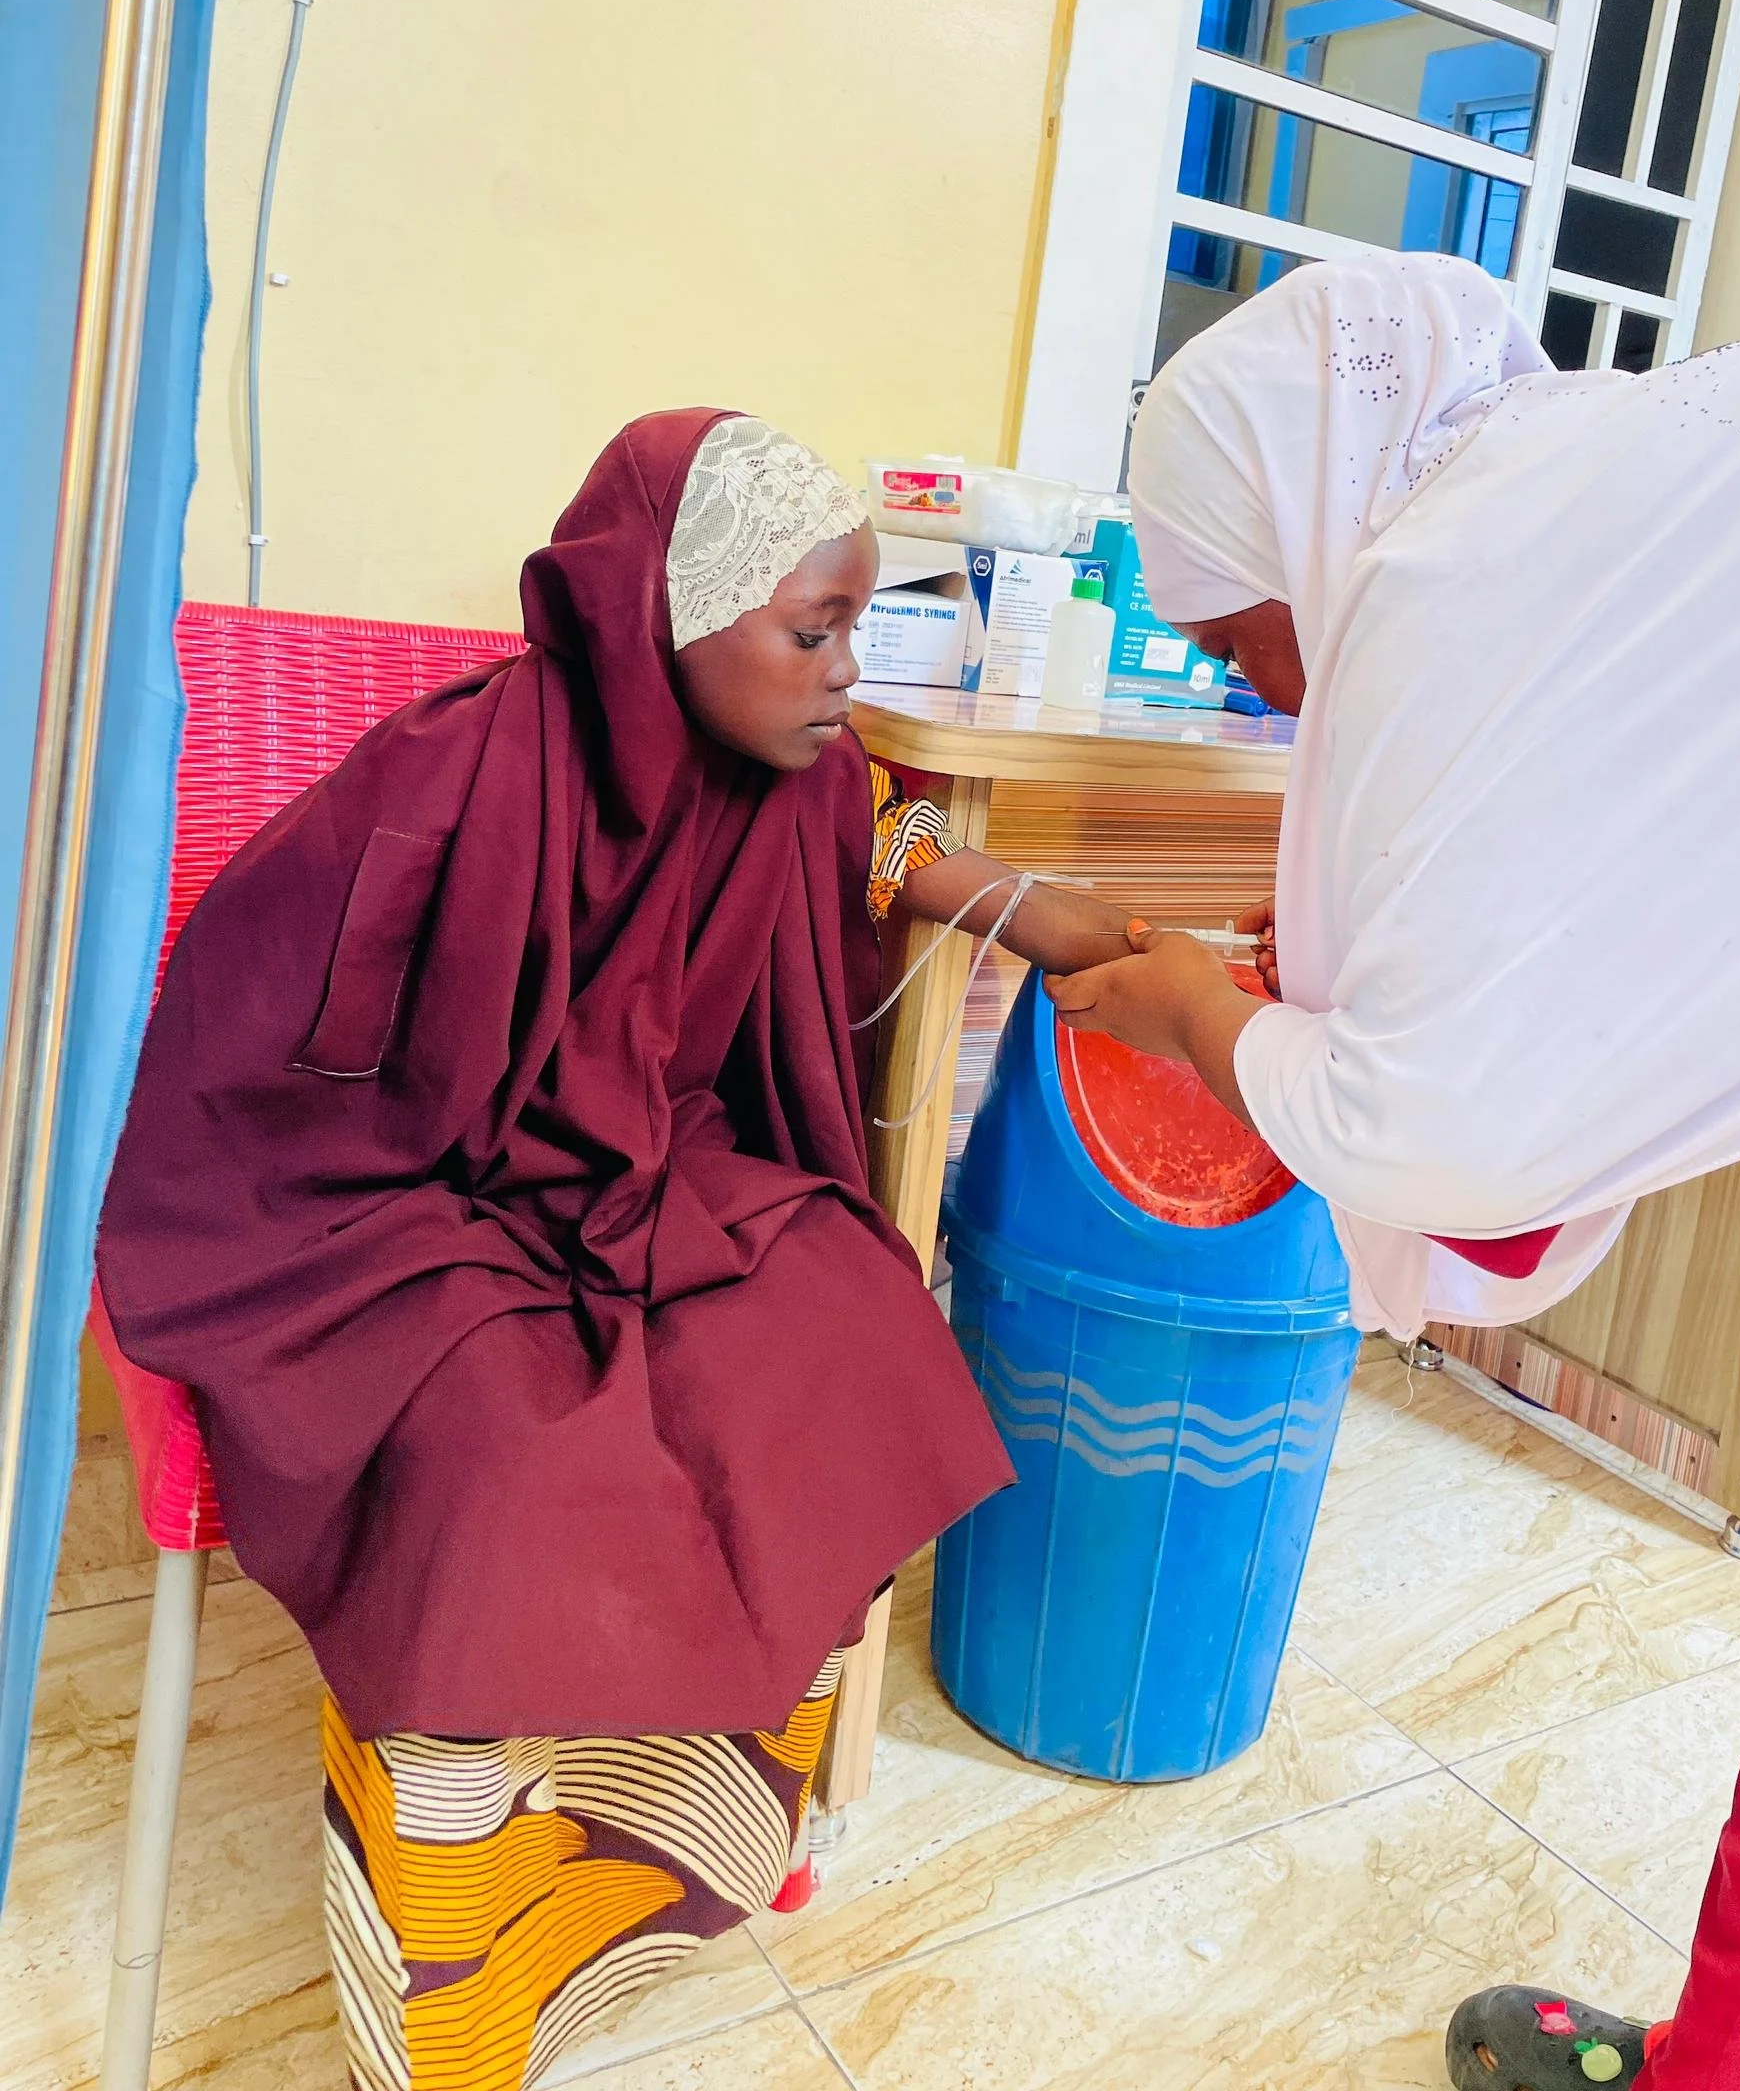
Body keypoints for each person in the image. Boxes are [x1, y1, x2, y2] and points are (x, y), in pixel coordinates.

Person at [96, 410, 1134, 2091]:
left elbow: (881, 837)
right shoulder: (453, 772)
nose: (845, 672)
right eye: (814, 631)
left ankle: (699, 1851)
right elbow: (272, 1016)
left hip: (657, 1169)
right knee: (501, 1456)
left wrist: (1016, 899)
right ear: (664, 606)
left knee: (845, 1331)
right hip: (406, 1190)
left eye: (856, 626)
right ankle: (459, 1985)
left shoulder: (804, 779)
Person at [1048, 254, 1740, 2090]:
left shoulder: (1450, 585)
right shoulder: (1582, 494)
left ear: (1294, 524)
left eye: (1235, 641)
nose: (1263, 692)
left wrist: (1213, 1020)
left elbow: (1442, 1141)